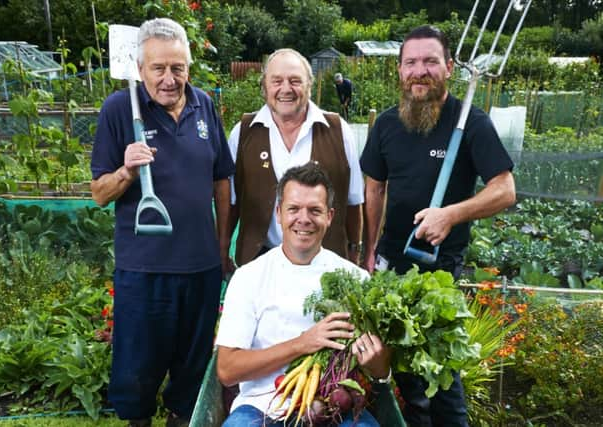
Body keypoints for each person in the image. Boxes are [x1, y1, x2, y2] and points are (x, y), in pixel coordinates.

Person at [360, 25, 516, 427]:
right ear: (399, 70)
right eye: (410, 62)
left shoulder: (471, 123)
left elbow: (505, 190)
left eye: (430, 61)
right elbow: (374, 189)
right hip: (394, 265)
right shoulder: (386, 125)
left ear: (449, 67)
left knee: (443, 377)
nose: (419, 71)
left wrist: (450, 214)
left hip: (440, 270)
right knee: (409, 381)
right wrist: (368, 251)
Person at [90, 18, 234, 427]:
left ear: (189, 67)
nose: (170, 79)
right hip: (144, 269)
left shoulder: (204, 105)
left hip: (201, 267)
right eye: (159, 68)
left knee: (192, 365)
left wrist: (221, 249)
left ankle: (179, 419)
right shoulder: (119, 110)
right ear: (140, 68)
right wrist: (126, 172)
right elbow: (99, 193)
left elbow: (222, 179)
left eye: (178, 68)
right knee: (138, 365)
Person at [216, 162, 390, 426]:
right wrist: (303, 343)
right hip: (262, 406)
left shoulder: (356, 280)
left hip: (333, 405)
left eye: (315, 210)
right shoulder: (249, 277)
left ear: (330, 216)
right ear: (278, 213)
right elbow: (227, 370)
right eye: (293, 209)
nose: (304, 219)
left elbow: (380, 371)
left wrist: (379, 364)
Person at [227, 48, 364, 267]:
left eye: (295, 81)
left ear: (309, 85)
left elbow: (353, 201)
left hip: (326, 265)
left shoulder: (338, 130)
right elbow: (232, 203)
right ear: (264, 87)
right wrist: (224, 250)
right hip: (261, 262)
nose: (285, 89)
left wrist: (356, 250)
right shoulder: (242, 132)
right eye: (277, 81)